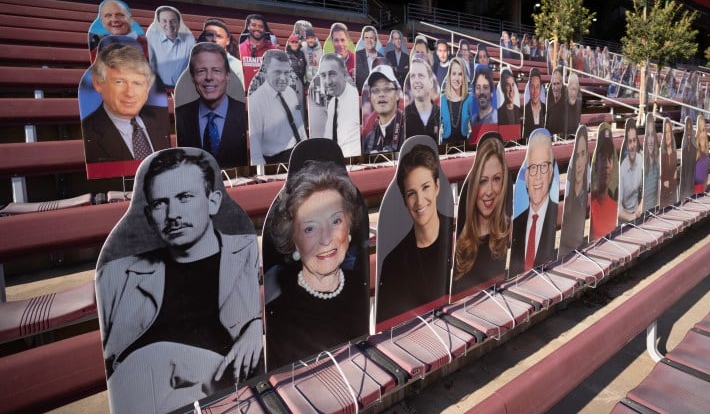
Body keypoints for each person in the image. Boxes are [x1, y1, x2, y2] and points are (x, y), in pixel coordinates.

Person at [96, 149, 262, 413]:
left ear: (213, 201)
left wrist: (256, 324)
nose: (172, 213)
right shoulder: (117, 275)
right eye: (160, 203)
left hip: (228, 402)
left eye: (185, 197)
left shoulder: (244, 253)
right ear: (149, 216)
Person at [264, 159, 368, 370]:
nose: (326, 239)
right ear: (294, 240)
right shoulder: (280, 314)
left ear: (349, 227)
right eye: (310, 228)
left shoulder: (362, 288)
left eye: (336, 221)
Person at [377, 143, 452, 324]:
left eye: (426, 187)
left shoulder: (458, 236)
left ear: (437, 186)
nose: (419, 201)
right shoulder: (393, 264)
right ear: (404, 200)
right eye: (411, 193)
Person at [82, 43, 170, 164]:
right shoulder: (87, 133)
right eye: (119, 82)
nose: (130, 93)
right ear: (98, 83)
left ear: (148, 87)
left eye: (137, 83)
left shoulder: (166, 118)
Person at [175, 43, 248, 169]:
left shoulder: (245, 114)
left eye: (216, 71)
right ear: (193, 77)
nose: (209, 77)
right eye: (201, 71)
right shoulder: (181, 116)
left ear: (227, 75)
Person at [453, 135, 509, 295]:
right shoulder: (460, 247)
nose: (490, 191)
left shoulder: (505, 230)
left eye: (496, 179)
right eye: (483, 181)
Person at [510, 129, 558, 275]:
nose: (537, 176)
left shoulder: (553, 213)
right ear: (526, 177)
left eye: (543, 167)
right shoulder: (517, 219)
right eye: (532, 168)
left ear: (550, 173)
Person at [248, 50, 307, 165]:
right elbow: (255, 144)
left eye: (286, 73)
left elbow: (299, 126)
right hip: (275, 160)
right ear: (265, 71)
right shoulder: (256, 100)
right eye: (277, 72)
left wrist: (306, 149)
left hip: (297, 152)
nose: (283, 78)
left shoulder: (290, 92)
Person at [320, 53, 361, 158]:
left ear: (344, 74)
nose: (328, 82)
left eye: (332, 74)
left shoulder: (356, 99)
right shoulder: (333, 103)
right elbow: (328, 138)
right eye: (323, 75)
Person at [146, 5, 195, 88]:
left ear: (179, 22)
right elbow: (151, 62)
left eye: (173, 21)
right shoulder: (152, 37)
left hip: (182, 87)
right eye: (164, 21)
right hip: (159, 87)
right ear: (159, 22)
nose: (169, 25)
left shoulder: (189, 39)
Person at [560, 126, 589, 255]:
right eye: (576, 156)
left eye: (583, 154)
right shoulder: (568, 199)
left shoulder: (585, 193)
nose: (579, 163)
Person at [362, 64, 404, 154]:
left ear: (397, 94)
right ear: (370, 97)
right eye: (376, 90)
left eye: (387, 89)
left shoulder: (408, 130)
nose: (381, 94)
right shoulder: (369, 139)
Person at [589, 126, 619, 240]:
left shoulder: (615, 205)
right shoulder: (589, 200)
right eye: (602, 158)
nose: (606, 165)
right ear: (596, 165)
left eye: (610, 159)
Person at [404, 57, 440, 143]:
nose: (416, 80)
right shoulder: (403, 117)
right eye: (413, 76)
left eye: (421, 75)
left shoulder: (441, 115)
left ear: (431, 82)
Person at [199, 18, 244, 86]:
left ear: (227, 41)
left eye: (219, 36)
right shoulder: (196, 61)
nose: (214, 39)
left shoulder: (236, 66)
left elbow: (238, 94)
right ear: (204, 38)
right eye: (210, 35)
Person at [239, 14, 276, 88]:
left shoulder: (274, 51)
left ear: (265, 29)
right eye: (254, 25)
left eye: (261, 26)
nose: (257, 28)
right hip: (244, 95)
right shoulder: (239, 49)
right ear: (248, 27)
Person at [440, 58, 472, 143]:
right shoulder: (441, 101)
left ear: (464, 77)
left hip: (465, 151)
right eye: (454, 74)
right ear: (449, 75)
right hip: (445, 151)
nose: (457, 78)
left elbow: (476, 130)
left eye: (460, 74)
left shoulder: (469, 100)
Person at [618, 118, 643, 223]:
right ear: (626, 146)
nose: (632, 145)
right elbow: (617, 208)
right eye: (629, 142)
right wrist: (632, 217)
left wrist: (642, 204)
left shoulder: (640, 159)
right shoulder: (621, 170)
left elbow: (647, 187)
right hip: (624, 221)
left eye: (634, 141)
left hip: (638, 215)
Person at [354, 25, 384, 93]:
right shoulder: (356, 56)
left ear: (376, 40)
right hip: (360, 94)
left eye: (371, 38)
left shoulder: (382, 58)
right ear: (363, 40)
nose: (369, 40)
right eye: (366, 38)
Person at [659, 118, 678, 207]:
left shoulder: (674, 153)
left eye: (669, 132)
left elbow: (674, 176)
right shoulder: (662, 155)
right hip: (664, 195)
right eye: (665, 133)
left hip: (673, 193)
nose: (668, 136)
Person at [643, 114, 660, 211]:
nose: (650, 141)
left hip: (654, 210)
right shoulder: (641, 161)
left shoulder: (657, 161)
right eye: (648, 135)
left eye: (652, 135)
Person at [523, 68, 546, 138]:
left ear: (541, 89)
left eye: (537, 87)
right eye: (532, 86)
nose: (535, 91)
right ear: (529, 88)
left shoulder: (545, 108)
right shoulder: (526, 109)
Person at [679, 117, 696, 201]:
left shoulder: (693, 147)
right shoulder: (684, 147)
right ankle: (684, 195)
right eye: (687, 129)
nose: (689, 132)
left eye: (690, 129)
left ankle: (689, 193)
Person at [545, 67, 565, 138]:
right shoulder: (549, 97)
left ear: (562, 84)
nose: (555, 88)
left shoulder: (566, 101)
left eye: (558, 84)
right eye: (554, 84)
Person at [694, 115, 710, 194]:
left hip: (703, 187)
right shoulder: (696, 151)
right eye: (700, 131)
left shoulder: (706, 151)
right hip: (695, 188)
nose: (702, 134)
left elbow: (706, 172)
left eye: (704, 130)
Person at [564, 71, 582, 136]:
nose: (574, 93)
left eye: (575, 89)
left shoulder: (579, 102)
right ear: (567, 88)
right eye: (572, 89)